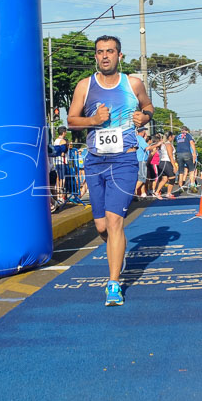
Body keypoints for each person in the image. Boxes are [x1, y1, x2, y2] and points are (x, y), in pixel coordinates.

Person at [67, 35, 154, 307]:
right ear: (95, 56)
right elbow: (71, 121)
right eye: (100, 52)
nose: (105, 56)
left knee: (115, 221)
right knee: (102, 226)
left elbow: (148, 106)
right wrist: (93, 120)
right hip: (95, 161)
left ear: (119, 55)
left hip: (125, 161)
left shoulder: (133, 83)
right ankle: (116, 249)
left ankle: (113, 283)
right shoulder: (85, 86)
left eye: (110, 51)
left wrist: (145, 116)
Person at [174, 125, 197, 194]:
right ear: (186, 131)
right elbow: (192, 143)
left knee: (181, 171)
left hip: (179, 154)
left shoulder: (177, 136)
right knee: (191, 169)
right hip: (187, 153)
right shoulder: (188, 135)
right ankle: (192, 185)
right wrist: (194, 153)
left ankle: (180, 186)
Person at [134, 127, 150, 198]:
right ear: (143, 132)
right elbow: (147, 148)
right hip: (141, 160)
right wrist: (157, 144)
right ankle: (133, 192)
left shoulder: (136, 138)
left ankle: (143, 193)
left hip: (137, 159)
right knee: (142, 177)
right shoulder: (140, 139)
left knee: (141, 177)